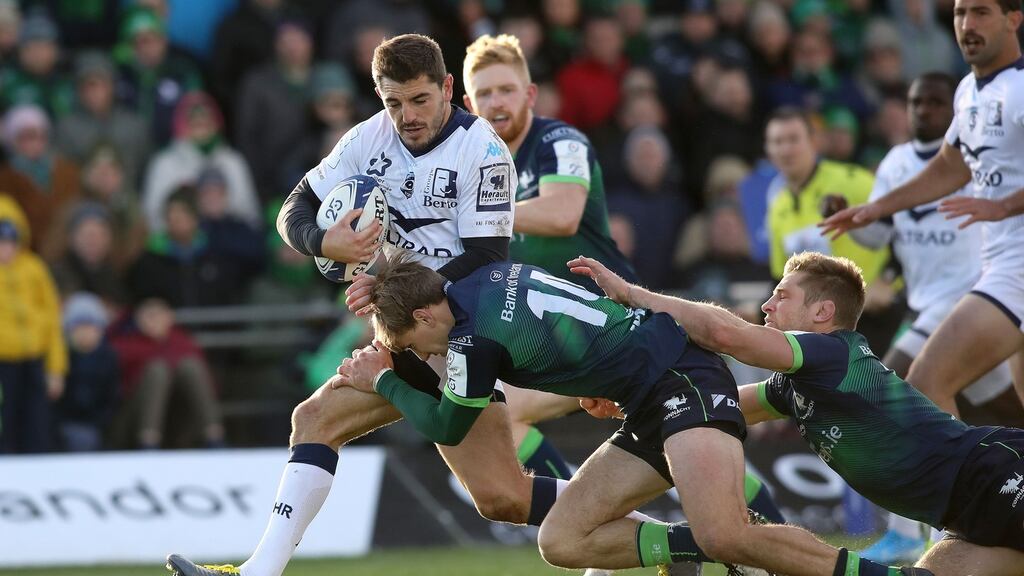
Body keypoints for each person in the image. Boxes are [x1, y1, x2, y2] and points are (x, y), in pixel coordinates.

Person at [167, 33, 601, 576]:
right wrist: (324, 243)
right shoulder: (366, 140)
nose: (407, 116)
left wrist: (387, 288)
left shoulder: (482, 151)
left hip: (463, 333)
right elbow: (294, 207)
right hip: (405, 330)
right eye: (393, 102)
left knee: (501, 498)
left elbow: (487, 262)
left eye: (420, 100)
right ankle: (259, 571)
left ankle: (662, 536)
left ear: (447, 89)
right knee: (322, 422)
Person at [333, 256, 929, 576]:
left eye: (415, 343)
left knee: (730, 532)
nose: (424, 355)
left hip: (679, 377)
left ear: (429, 317)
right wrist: (596, 379)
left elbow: (445, 427)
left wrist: (382, 376)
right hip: (646, 394)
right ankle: (708, 551)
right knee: (563, 540)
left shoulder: (468, 343)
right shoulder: (486, 280)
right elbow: (572, 326)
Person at [461, 34, 783, 536]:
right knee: (671, 430)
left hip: (616, 325)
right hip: (560, 336)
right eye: (485, 94)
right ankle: (608, 531)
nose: (496, 102)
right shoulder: (479, 171)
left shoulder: (558, 142)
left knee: (675, 425)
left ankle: (746, 511)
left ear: (530, 94)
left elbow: (564, 213)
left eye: (507, 89)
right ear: (468, 104)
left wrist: (468, 216)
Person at [569, 250, 1024, 576]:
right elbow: (714, 406)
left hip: (996, 471)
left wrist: (632, 294)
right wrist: (627, 402)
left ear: (823, 312)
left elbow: (729, 335)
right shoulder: (794, 386)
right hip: (965, 516)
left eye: (782, 296)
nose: (766, 306)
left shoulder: (834, 353)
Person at [820, 0, 1024, 417]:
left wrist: (1003, 206)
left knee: (925, 381)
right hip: (997, 265)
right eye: (959, 13)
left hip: (1014, 267)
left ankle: (966, 483)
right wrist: (876, 209)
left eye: (981, 12)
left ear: (1014, 19)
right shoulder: (968, 91)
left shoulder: (1020, 88)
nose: (967, 24)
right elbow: (950, 165)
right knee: (1014, 414)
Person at [849, 72, 1021, 563]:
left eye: (933, 101)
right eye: (914, 101)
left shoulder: (990, 139)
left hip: (977, 292)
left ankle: (922, 527)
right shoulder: (897, 162)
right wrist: (861, 214)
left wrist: (1003, 207)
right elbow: (878, 238)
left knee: (897, 387)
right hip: (940, 303)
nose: (923, 109)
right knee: (1010, 412)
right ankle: (978, 507)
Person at [0, 194, 66, 453]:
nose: (6, 248)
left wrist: (55, 368)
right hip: (3, 365)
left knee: (37, 428)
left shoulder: (34, 269)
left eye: (11, 241)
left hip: (34, 361)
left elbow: (52, 320)